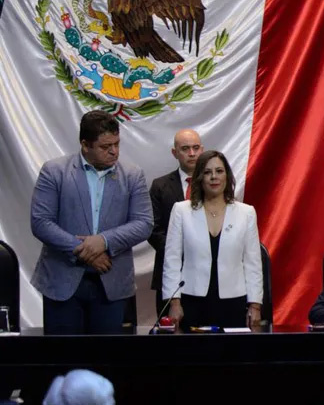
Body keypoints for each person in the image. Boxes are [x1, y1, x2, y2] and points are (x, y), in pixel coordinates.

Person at [30, 110, 153, 334]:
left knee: (106, 363)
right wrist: (84, 250)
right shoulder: (54, 171)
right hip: (62, 282)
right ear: (85, 145)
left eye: (116, 144)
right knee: (63, 360)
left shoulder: (133, 175)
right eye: (105, 147)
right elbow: (41, 222)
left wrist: (104, 241)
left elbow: (144, 223)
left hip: (111, 282)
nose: (114, 151)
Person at [163, 150, 263, 328]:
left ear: (227, 176)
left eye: (219, 171)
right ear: (199, 178)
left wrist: (255, 305)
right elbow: (172, 260)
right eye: (207, 172)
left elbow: (253, 263)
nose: (213, 177)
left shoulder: (246, 213)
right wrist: (174, 302)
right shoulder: (181, 211)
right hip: (191, 300)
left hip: (234, 301)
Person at [148, 128, 203, 314]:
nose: (192, 153)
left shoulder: (214, 183)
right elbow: (153, 230)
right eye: (185, 149)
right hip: (168, 272)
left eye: (196, 148)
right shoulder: (160, 186)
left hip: (205, 272)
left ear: (202, 150)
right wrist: (179, 250)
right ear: (175, 153)